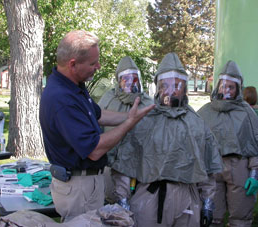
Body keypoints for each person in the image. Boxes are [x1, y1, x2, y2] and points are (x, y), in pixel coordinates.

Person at [39, 30, 155, 222]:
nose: (98, 67)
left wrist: (129, 115)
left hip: (86, 184)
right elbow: (94, 149)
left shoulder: (74, 86)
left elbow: (98, 115)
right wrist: (129, 123)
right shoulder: (62, 99)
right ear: (73, 64)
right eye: (93, 63)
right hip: (79, 187)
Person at [110, 52, 223, 227]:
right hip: (150, 195)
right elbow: (126, 165)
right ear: (159, 87)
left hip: (187, 196)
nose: (171, 90)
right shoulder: (144, 120)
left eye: (177, 85)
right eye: (166, 84)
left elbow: (208, 168)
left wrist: (207, 203)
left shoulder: (196, 123)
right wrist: (123, 201)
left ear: (184, 87)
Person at [198, 60, 258, 227]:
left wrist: (254, 174)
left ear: (237, 89)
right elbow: (194, 140)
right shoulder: (206, 111)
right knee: (211, 215)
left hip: (239, 167)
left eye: (231, 87)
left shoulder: (246, 112)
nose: (226, 90)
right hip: (212, 167)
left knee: (240, 216)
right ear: (218, 86)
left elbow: (255, 142)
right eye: (224, 86)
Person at [98, 56, 153, 209]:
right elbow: (97, 126)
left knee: (140, 204)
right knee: (113, 202)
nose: (131, 83)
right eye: (126, 79)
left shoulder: (148, 103)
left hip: (142, 164)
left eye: (134, 79)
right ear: (119, 81)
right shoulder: (108, 99)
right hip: (113, 162)